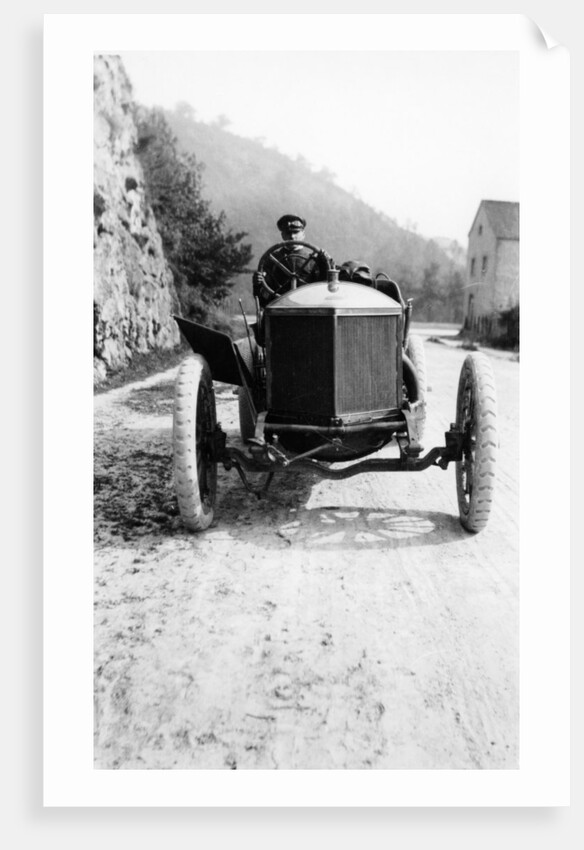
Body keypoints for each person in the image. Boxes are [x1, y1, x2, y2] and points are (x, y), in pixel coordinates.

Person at [252, 215, 332, 306]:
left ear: (303, 234)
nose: (292, 236)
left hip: (308, 308)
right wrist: (258, 283)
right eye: (288, 233)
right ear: (283, 235)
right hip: (279, 309)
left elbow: (324, 289)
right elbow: (263, 298)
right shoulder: (272, 260)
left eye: (296, 232)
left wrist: (327, 263)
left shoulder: (314, 261)